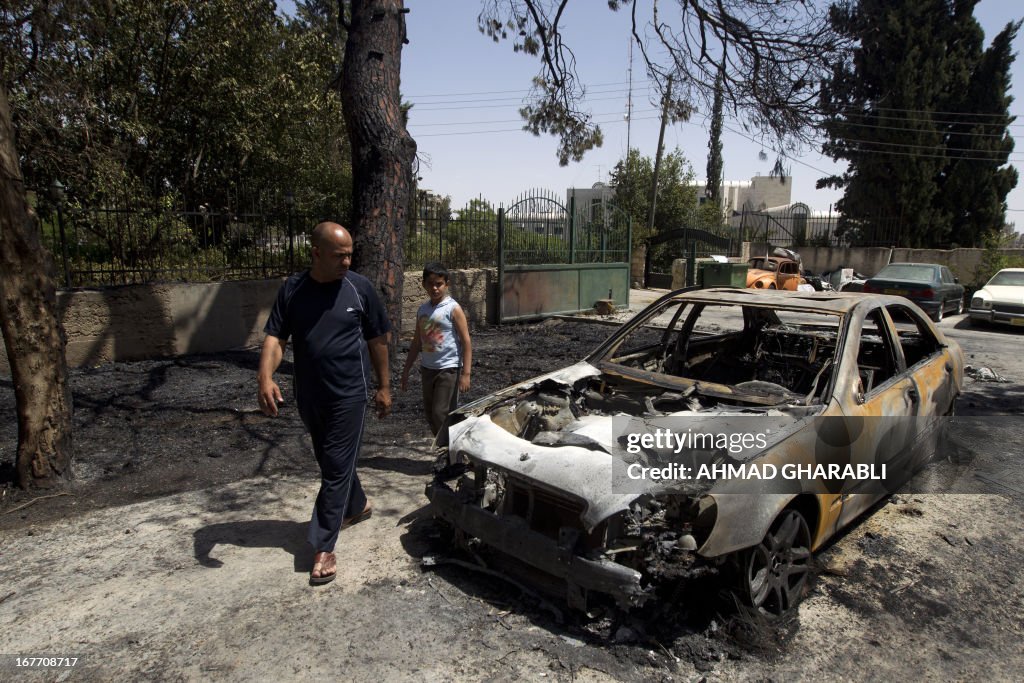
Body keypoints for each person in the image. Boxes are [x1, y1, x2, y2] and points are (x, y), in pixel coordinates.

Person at [257, 221, 391, 586]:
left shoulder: (359, 288)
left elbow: (378, 340)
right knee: (332, 461)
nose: (347, 261)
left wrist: (384, 386)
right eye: (339, 255)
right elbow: (275, 337)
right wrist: (265, 377)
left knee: (334, 467)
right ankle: (356, 503)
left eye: (350, 254)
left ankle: (322, 545)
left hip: (350, 395)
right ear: (316, 253)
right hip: (309, 394)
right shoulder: (293, 289)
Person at [400, 262, 472, 436]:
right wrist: (406, 370)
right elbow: (417, 343)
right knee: (430, 414)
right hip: (428, 369)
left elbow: (466, 342)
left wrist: (466, 374)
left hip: (448, 369)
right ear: (424, 284)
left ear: (447, 284)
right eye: (430, 284)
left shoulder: (452, 309)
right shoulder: (423, 310)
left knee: (441, 412)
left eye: (439, 284)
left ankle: (450, 453)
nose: (435, 288)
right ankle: (445, 450)